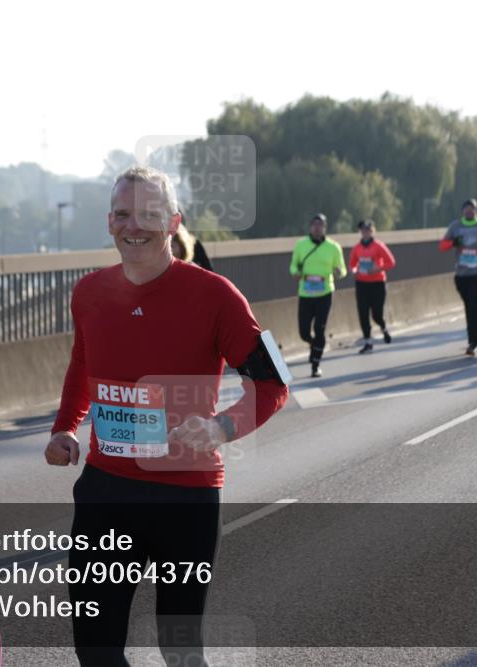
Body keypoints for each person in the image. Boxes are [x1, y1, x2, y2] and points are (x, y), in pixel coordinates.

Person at [44, 166, 288, 666]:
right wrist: (66, 426)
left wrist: (222, 427)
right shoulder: (89, 292)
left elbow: (273, 383)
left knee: (179, 651)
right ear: (109, 221)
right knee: (95, 649)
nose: (135, 226)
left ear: (174, 221)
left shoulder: (217, 296)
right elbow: (82, 365)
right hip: (106, 491)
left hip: (185, 496)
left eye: (150, 214)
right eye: (123, 213)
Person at [439, 199, 477, 356]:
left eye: (471, 209)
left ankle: (473, 340)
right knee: (468, 305)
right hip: (461, 274)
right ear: (462, 211)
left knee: (474, 304)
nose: (469, 212)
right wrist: (454, 242)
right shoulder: (456, 226)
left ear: (476, 211)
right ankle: (473, 336)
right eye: (466, 209)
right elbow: (442, 246)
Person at [289, 213, 347, 376]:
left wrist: (338, 272)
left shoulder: (334, 247)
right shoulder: (301, 245)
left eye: (320, 225)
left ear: (324, 227)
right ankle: (314, 344)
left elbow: (342, 269)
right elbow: (293, 266)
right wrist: (296, 273)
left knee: (320, 329)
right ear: (310, 227)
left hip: (325, 292)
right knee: (304, 332)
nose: (317, 228)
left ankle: (315, 364)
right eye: (314, 224)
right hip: (305, 293)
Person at [348, 219, 395, 354]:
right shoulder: (357, 248)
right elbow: (352, 264)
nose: (365, 232)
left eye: (368, 230)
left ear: (373, 231)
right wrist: (354, 271)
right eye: (363, 230)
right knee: (363, 313)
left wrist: (377, 268)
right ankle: (368, 341)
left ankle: (383, 328)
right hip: (362, 283)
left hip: (377, 283)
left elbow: (391, 263)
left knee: (376, 314)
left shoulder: (379, 246)